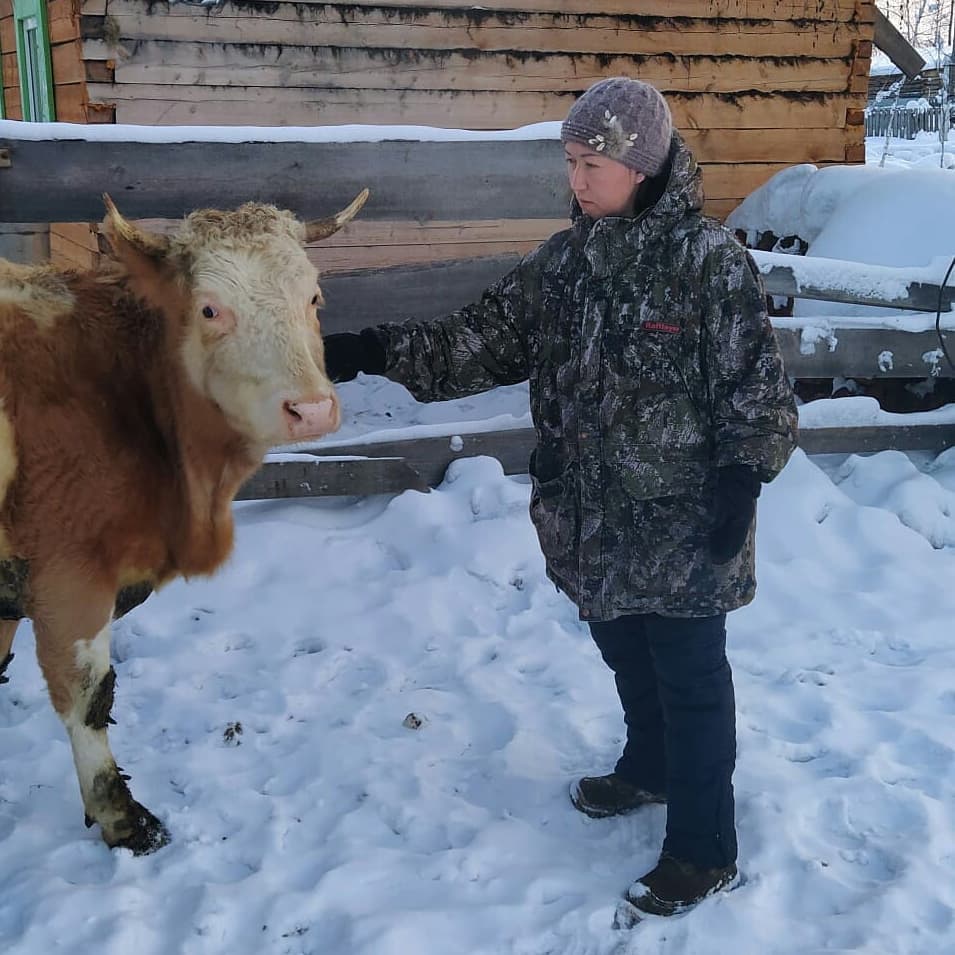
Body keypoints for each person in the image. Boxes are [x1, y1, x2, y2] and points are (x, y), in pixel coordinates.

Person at [321, 77, 798, 919]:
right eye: (570, 161)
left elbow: (756, 391)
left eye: (591, 162)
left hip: (684, 524)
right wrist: (365, 349)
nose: (576, 178)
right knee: (623, 650)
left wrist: (740, 478)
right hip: (593, 521)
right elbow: (473, 342)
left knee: (690, 679)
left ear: (641, 165)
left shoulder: (706, 263)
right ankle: (648, 768)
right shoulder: (565, 263)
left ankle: (703, 848)